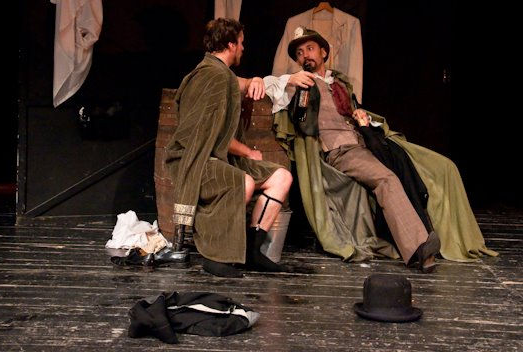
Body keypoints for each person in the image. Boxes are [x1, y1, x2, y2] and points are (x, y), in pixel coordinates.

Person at [265, 27, 443, 272]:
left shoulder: (340, 83)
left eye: (310, 49)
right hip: (340, 150)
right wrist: (293, 82)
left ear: (323, 52)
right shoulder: (297, 86)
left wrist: (359, 116)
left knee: (409, 165)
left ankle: (428, 230)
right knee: (386, 179)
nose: (305, 55)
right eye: (299, 52)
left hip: (362, 143)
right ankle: (418, 248)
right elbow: (273, 91)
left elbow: (351, 111)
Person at [165, 18, 293, 278]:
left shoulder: (220, 73)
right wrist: (248, 152)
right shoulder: (212, 76)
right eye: (241, 43)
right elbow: (209, 136)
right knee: (243, 182)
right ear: (231, 44)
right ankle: (216, 255)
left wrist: (254, 79)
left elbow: (237, 83)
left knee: (281, 177)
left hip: (216, 156)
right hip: (195, 159)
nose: (243, 48)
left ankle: (253, 250)